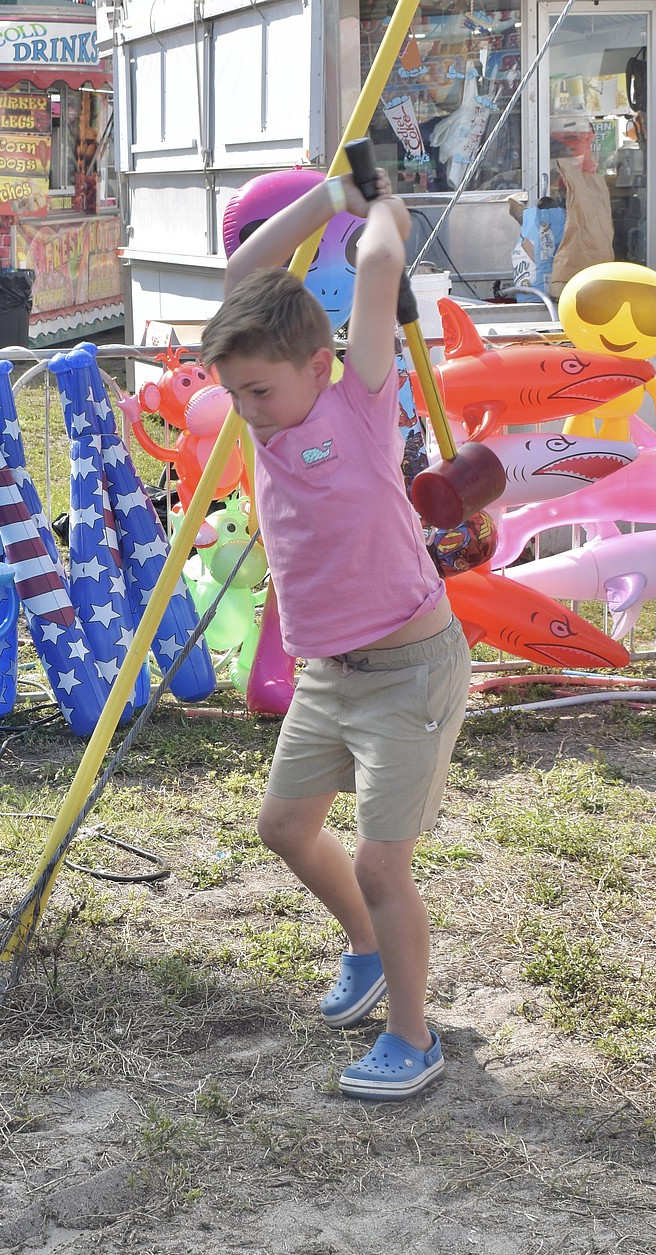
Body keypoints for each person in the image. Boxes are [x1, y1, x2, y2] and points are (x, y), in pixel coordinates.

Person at [201, 166, 471, 1101]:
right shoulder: (264, 413)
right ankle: (365, 952)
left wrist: (381, 203)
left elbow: (383, 263)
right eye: (234, 393)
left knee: (379, 860)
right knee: (283, 826)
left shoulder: (357, 397)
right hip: (330, 672)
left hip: (409, 666)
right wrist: (324, 198)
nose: (246, 412)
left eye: (260, 393)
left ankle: (413, 1035)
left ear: (320, 367)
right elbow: (245, 269)